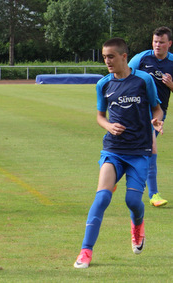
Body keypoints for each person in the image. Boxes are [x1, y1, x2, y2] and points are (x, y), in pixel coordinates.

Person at [73, 38, 164, 269]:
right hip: (113, 150)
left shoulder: (144, 80)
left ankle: (138, 225)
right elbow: (100, 116)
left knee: (133, 201)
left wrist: (157, 120)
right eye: (104, 57)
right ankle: (85, 251)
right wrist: (108, 126)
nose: (107, 61)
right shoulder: (103, 84)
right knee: (102, 197)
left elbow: (156, 107)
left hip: (139, 152)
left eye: (111, 56)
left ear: (124, 56)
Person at [128, 26, 173, 207]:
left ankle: (113, 177)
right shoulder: (141, 58)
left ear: (169, 44)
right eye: (155, 41)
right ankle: (153, 194)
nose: (157, 45)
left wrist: (171, 85)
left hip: (158, 113)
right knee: (147, 149)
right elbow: (122, 75)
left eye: (161, 42)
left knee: (146, 149)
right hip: (136, 111)